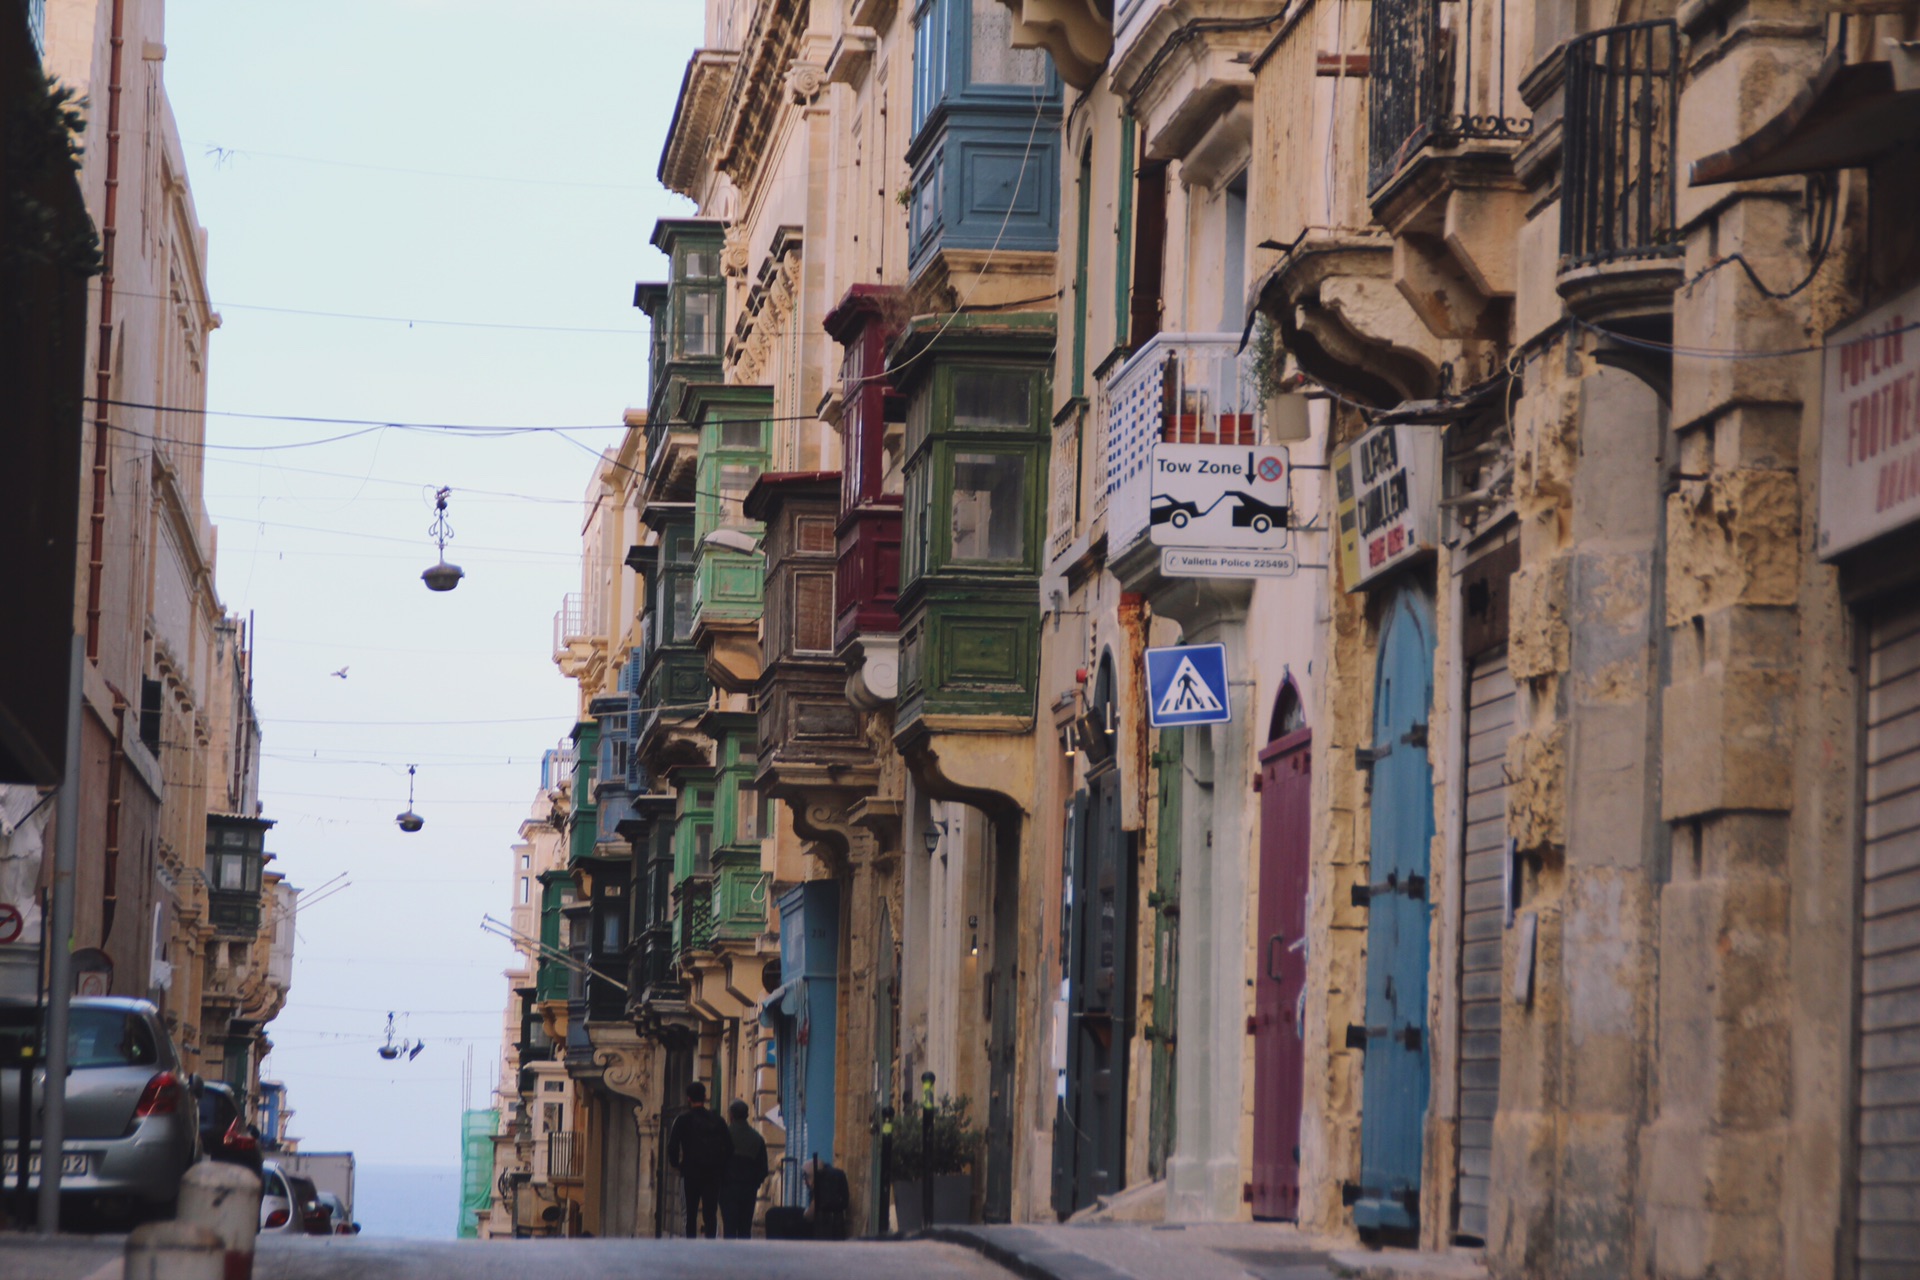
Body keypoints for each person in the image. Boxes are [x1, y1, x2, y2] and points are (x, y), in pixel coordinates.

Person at [665, 1081, 732, 1238]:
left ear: (688, 1099)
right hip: (713, 1174)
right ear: (705, 1097)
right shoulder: (718, 1121)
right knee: (710, 1213)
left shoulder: (682, 1121)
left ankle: (690, 1244)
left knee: (689, 1213)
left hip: (690, 1172)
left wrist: (676, 1164)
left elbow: (672, 1146)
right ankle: (710, 1242)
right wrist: (720, 1166)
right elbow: (729, 1147)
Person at [720, 1099, 770, 1238]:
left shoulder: (723, 1135)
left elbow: (716, 1163)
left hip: (727, 1188)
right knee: (745, 1228)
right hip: (749, 1189)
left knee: (729, 1227)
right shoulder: (757, 1139)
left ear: (731, 1115)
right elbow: (763, 1168)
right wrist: (754, 1183)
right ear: (747, 1115)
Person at [801, 1155, 851, 1241]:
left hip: (822, 1231)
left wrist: (804, 1214)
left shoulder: (821, 1185)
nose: (806, 1183)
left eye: (806, 1178)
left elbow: (810, 1215)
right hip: (838, 1227)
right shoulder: (838, 1176)